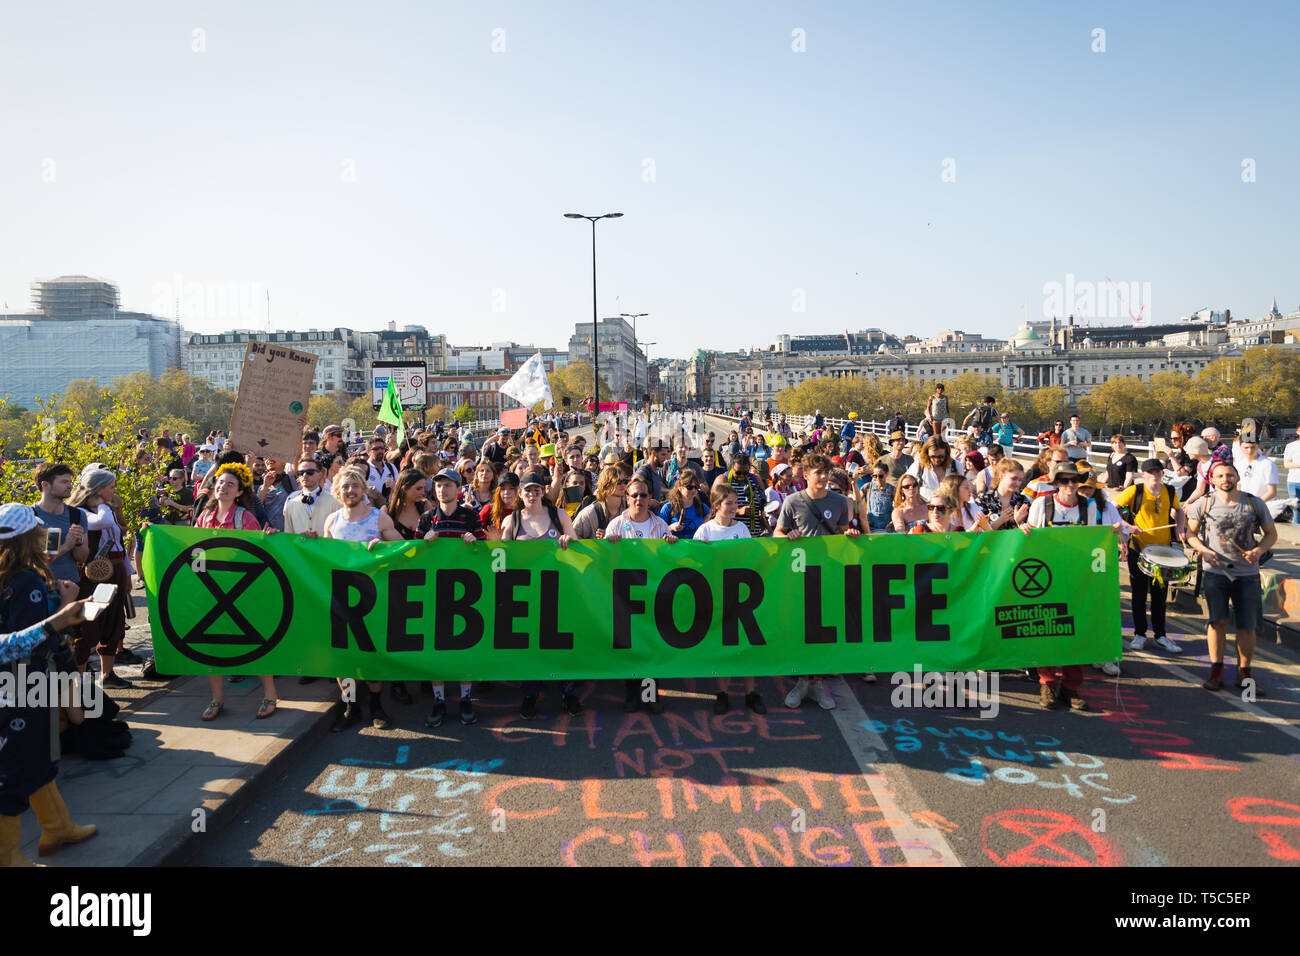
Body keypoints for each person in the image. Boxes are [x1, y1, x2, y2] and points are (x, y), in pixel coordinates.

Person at [0, 548, 96, 869]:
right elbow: (21, 642)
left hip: (21, 683)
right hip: (21, 683)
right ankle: (8, 856)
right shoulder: (26, 581)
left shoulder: (20, 577)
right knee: (13, 769)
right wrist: (64, 614)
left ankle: (57, 829)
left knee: (38, 754)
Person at [1024, 464, 1124, 710]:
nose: (1071, 485)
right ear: (1056, 483)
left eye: (1074, 480)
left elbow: (1092, 540)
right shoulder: (1042, 505)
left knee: (1077, 632)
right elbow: (1031, 540)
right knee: (1047, 630)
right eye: (1065, 481)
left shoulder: (1088, 506)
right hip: (1047, 578)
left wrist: (1111, 535)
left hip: (1078, 576)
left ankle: (1071, 687)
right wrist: (1023, 531)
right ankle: (1047, 683)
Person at [192, 464, 279, 722]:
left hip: (242, 591)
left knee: (255, 642)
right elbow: (192, 550)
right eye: (220, 482)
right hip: (211, 591)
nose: (223, 486)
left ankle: (270, 694)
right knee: (213, 645)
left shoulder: (245, 518)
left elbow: (257, 555)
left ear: (240, 491)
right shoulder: (204, 518)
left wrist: (268, 538)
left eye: (230, 484)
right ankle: (217, 698)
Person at [774, 453, 859, 711]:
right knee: (802, 629)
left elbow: (843, 531)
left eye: (825, 472)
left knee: (825, 630)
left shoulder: (840, 501)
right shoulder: (792, 502)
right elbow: (777, 533)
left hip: (830, 573)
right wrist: (787, 536)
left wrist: (852, 533)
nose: (822, 477)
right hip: (800, 575)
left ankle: (819, 683)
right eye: (817, 472)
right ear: (806, 475)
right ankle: (802, 681)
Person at [1186, 462, 1277, 693]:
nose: (1225, 478)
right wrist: (1204, 550)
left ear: (1237, 477)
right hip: (1216, 572)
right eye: (1220, 475)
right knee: (1217, 622)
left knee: (1247, 626)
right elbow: (1190, 534)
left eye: (1230, 474)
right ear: (1212, 480)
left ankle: (1244, 674)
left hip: (1247, 574)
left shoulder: (1253, 503)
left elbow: (1271, 535)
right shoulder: (1203, 503)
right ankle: (1216, 672)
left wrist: (1258, 551)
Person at [323, 466, 402, 730]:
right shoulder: (332, 522)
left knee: (371, 655)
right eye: (345, 486)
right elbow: (322, 559)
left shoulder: (379, 518)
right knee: (343, 658)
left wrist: (385, 547)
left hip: (373, 601)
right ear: (337, 491)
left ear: (363, 489)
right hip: (341, 600)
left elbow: (404, 550)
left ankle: (377, 706)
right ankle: (351, 707)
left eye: (355, 485)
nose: (350, 490)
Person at [501, 472, 582, 720]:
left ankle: (568, 692)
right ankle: (530, 694)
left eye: (537, 490)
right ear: (520, 493)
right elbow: (500, 561)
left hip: (558, 592)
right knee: (529, 648)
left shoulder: (558, 516)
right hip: (525, 596)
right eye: (528, 490)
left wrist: (570, 540)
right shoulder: (511, 521)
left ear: (544, 491)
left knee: (560, 645)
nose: (532, 494)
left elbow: (578, 548)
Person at [606, 476, 678, 714]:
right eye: (634, 495)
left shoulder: (661, 527)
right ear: (627, 498)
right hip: (625, 597)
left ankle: (649, 695)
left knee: (651, 647)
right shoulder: (616, 526)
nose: (639, 499)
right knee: (629, 648)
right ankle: (631, 695)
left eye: (643, 495)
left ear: (650, 498)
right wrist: (609, 546)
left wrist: (672, 545)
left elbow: (667, 563)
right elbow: (605, 563)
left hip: (653, 595)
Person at [419, 468, 485, 728]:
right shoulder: (426, 518)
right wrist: (423, 543)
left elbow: (485, 550)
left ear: (458, 488)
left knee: (464, 647)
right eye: (438, 486)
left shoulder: (469, 516)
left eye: (447, 485)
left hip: (466, 592)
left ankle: (466, 698)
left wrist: (474, 542)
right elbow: (413, 555)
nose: (442, 490)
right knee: (437, 648)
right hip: (435, 590)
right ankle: (439, 700)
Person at [694, 485, 766, 714]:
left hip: (742, 597)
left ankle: (750, 693)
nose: (735, 507)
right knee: (723, 646)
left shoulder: (743, 529)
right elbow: (694, 565)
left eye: (736, 503)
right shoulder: (705, 531)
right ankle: (722, 694)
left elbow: (749, 559)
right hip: (716, 596)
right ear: (717, 506)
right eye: (730, 503)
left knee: (746, 647)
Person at [67, 469, 133, 688]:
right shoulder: (81, 512)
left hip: (114, 571)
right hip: (93, 576)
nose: (114, 490)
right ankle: (80, 681)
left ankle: (108, 674)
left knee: (114, 620)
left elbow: (119, 544)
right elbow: (101, 522)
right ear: (98, 489)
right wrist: (104, 504)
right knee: (89, 625)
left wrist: (127, 572)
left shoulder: (106, 509)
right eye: (111, 486)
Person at [1114, 459, 1186, 656]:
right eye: (1151, 472)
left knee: (1159, 595)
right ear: (1143, 474)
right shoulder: (1134, 491)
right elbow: (1113, 508)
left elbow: (1179, 511)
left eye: (1158, 472)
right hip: (1138, 548)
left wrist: (1180, 526)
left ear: (1163, 474)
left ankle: (1161, 635)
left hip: (1163, 552)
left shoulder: (1170, 492)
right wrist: (1126, 527)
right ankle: (1139, 634)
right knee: (1138, 593)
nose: (1155, 475)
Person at [32, 464, 89, 586]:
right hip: (38, 588)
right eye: (64, 482)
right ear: (45, 485)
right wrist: (66, 546)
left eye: (69, 482)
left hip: (70, 586)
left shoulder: (77, 515)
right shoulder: (29, 516)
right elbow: (29, 561)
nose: (70, 486)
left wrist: (78, 542)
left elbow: (82, 558)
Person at [710, 453, 767, 538]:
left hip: (753, 536)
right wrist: (738, 511)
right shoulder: (723, 480)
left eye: (745, 472)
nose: (742, 476)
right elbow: (714, 508)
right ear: (732, 468)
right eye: (738, 472)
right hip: (730, 536)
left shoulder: (755, 480)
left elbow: (763, 501)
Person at [282, 456, 343, 537]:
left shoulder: (334, 501)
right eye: (300, 473)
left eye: (310, 472)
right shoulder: (290, 503)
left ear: (320, 475)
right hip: (299, 549)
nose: (304, 475)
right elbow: (288, 536)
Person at [975, 458, 1030, 532]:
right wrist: (1000, 521)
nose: (1018, 483)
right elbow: (977, 531)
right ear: (1001, 475)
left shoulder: (1023, 500)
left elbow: (1030, 529)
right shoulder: (983, 499)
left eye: (1020, 480)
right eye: (1014, 479)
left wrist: (1019, 523)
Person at [573, 467, 628, 540]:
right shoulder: (589, 513)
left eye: (625, 481)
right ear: (606, 485)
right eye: (618, 482)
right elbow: (572, 536)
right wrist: (596, 543)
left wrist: (609, 533)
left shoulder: (630, 510)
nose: (623, 485)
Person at [905, 437, 959, 504]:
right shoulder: (919, 465)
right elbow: (904, 483)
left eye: (940, 456)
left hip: (949, 508)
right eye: (932, 456)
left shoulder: (956, 466)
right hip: (925, 508)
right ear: (927, 454)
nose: (936, 460)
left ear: (947, 454)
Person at [384, 468, 431, 541]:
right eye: (419, 488)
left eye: (424, 488)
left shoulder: (425, 506)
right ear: (404, 488)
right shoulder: (386, 510)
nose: (423, 492)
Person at [660, 473, 709, 540]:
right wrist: (671, 527)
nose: (694, 490)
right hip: (674, 549)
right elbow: (658, 531)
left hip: (696, 549)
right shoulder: (668, 508)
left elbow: (713, 529)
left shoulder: (704, 508)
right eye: (689, 487)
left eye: (696, 487)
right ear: (680, 487)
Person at [481, 473, 522, 539]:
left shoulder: (524, 511)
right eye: (503, 489)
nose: (506, 492)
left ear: (518, 491)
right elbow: (476, 534)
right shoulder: (489, 509)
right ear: (498, 491)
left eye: (511, 488)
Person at [1285, 424, 1300, 525]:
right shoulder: (1291, 446)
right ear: (1298, 432)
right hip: (1294, 481)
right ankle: (1296, 536)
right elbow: (1286, 464)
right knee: (1296, 509)